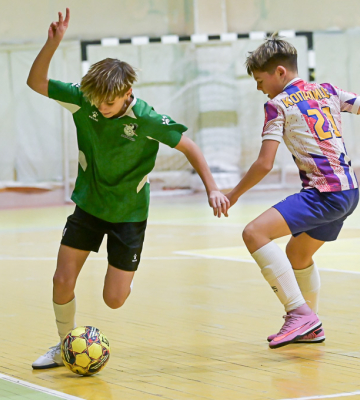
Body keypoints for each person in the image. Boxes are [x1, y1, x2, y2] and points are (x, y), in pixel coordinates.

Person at [27, 8, 229, 369]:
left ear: (127, 93)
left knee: (114, 300)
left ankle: (125, 279)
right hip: (90, 204)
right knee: (62, 279)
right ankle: (65, 346)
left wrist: (212, 188)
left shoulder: (148, 119)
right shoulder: (84, 99)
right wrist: (52, 43)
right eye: (96, 101)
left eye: (109, 102)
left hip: (129, 213)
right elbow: (36, 82)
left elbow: (190, 147)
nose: (101, 107)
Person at [225, 34, 360, 349]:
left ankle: (299, 314)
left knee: (254, 233)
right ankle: (310, 326)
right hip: (349, 192)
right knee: (298, 254)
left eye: (260, 80)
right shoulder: (329, 90)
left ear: (280, 72)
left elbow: (264, 164)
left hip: (324, 193)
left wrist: (233, 194)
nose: (259, 88)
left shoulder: (277, 105)